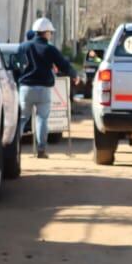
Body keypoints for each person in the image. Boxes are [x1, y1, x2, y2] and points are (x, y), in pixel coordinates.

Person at [17, 17, 77, 158]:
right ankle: (41, 149)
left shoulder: (24, 47)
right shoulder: (50, 49)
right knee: (42, 119)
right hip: (43, 89)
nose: (51, 34)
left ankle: (14, 148)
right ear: (45, 32)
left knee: (22, 118)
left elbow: (16, 64)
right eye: (50, 32)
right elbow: (63, 64)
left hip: (25, 88)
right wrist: (74, 74)